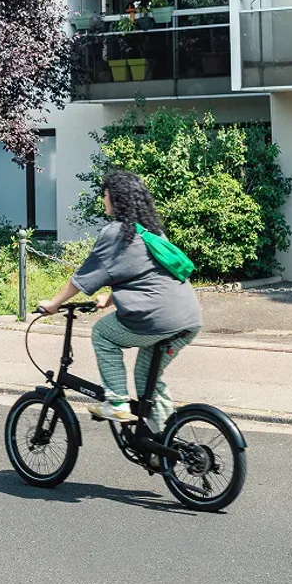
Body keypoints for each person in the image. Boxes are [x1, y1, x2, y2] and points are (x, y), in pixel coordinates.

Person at [38, 170, 201, 430]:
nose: (103, 200)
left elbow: (82, 278)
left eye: (104, 195)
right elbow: (147, 276)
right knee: (147, 377)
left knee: (102, 333)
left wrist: (54, 303)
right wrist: (111, 299)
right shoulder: (151, 231)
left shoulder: (116, 233)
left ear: (116, 198)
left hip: (156, 319)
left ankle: (116, 402)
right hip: (188, 318)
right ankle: (163, 444)